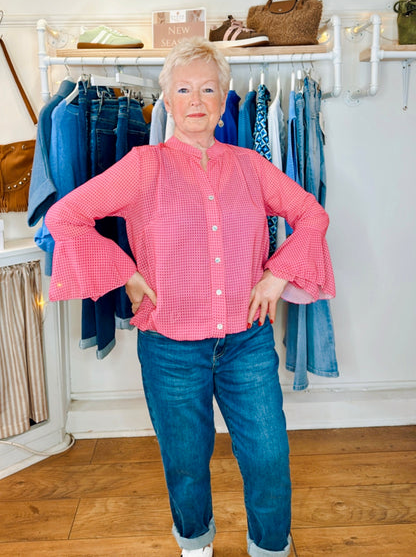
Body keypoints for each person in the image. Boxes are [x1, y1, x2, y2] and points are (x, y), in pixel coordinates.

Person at [46, 37, 335, 557]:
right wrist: (127, 274)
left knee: (268, 457)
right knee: (185, 460)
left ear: (224, 99)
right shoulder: (142, 165)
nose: (196, 100)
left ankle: (271, 548)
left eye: (208, 89)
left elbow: (312, 214)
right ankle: (196, 544)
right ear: (167, 101)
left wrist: (276, 275)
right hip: (171, 346)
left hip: (247, 343)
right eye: (184, 89)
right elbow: (63, 216)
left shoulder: (250, 166)